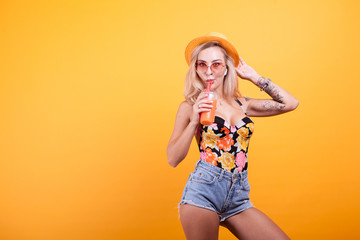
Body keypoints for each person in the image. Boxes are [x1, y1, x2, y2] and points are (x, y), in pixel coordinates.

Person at [167, 32, 299, 240]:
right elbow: (173, 159)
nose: (209, 71)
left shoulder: (243, 104)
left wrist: (253, 76)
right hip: (203, 192)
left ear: (227, 67)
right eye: (202, 64)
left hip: (238, 195)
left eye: (216, 64)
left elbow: (290, 104)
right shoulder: (190, 106)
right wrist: (194, 120)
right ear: (196, 69)